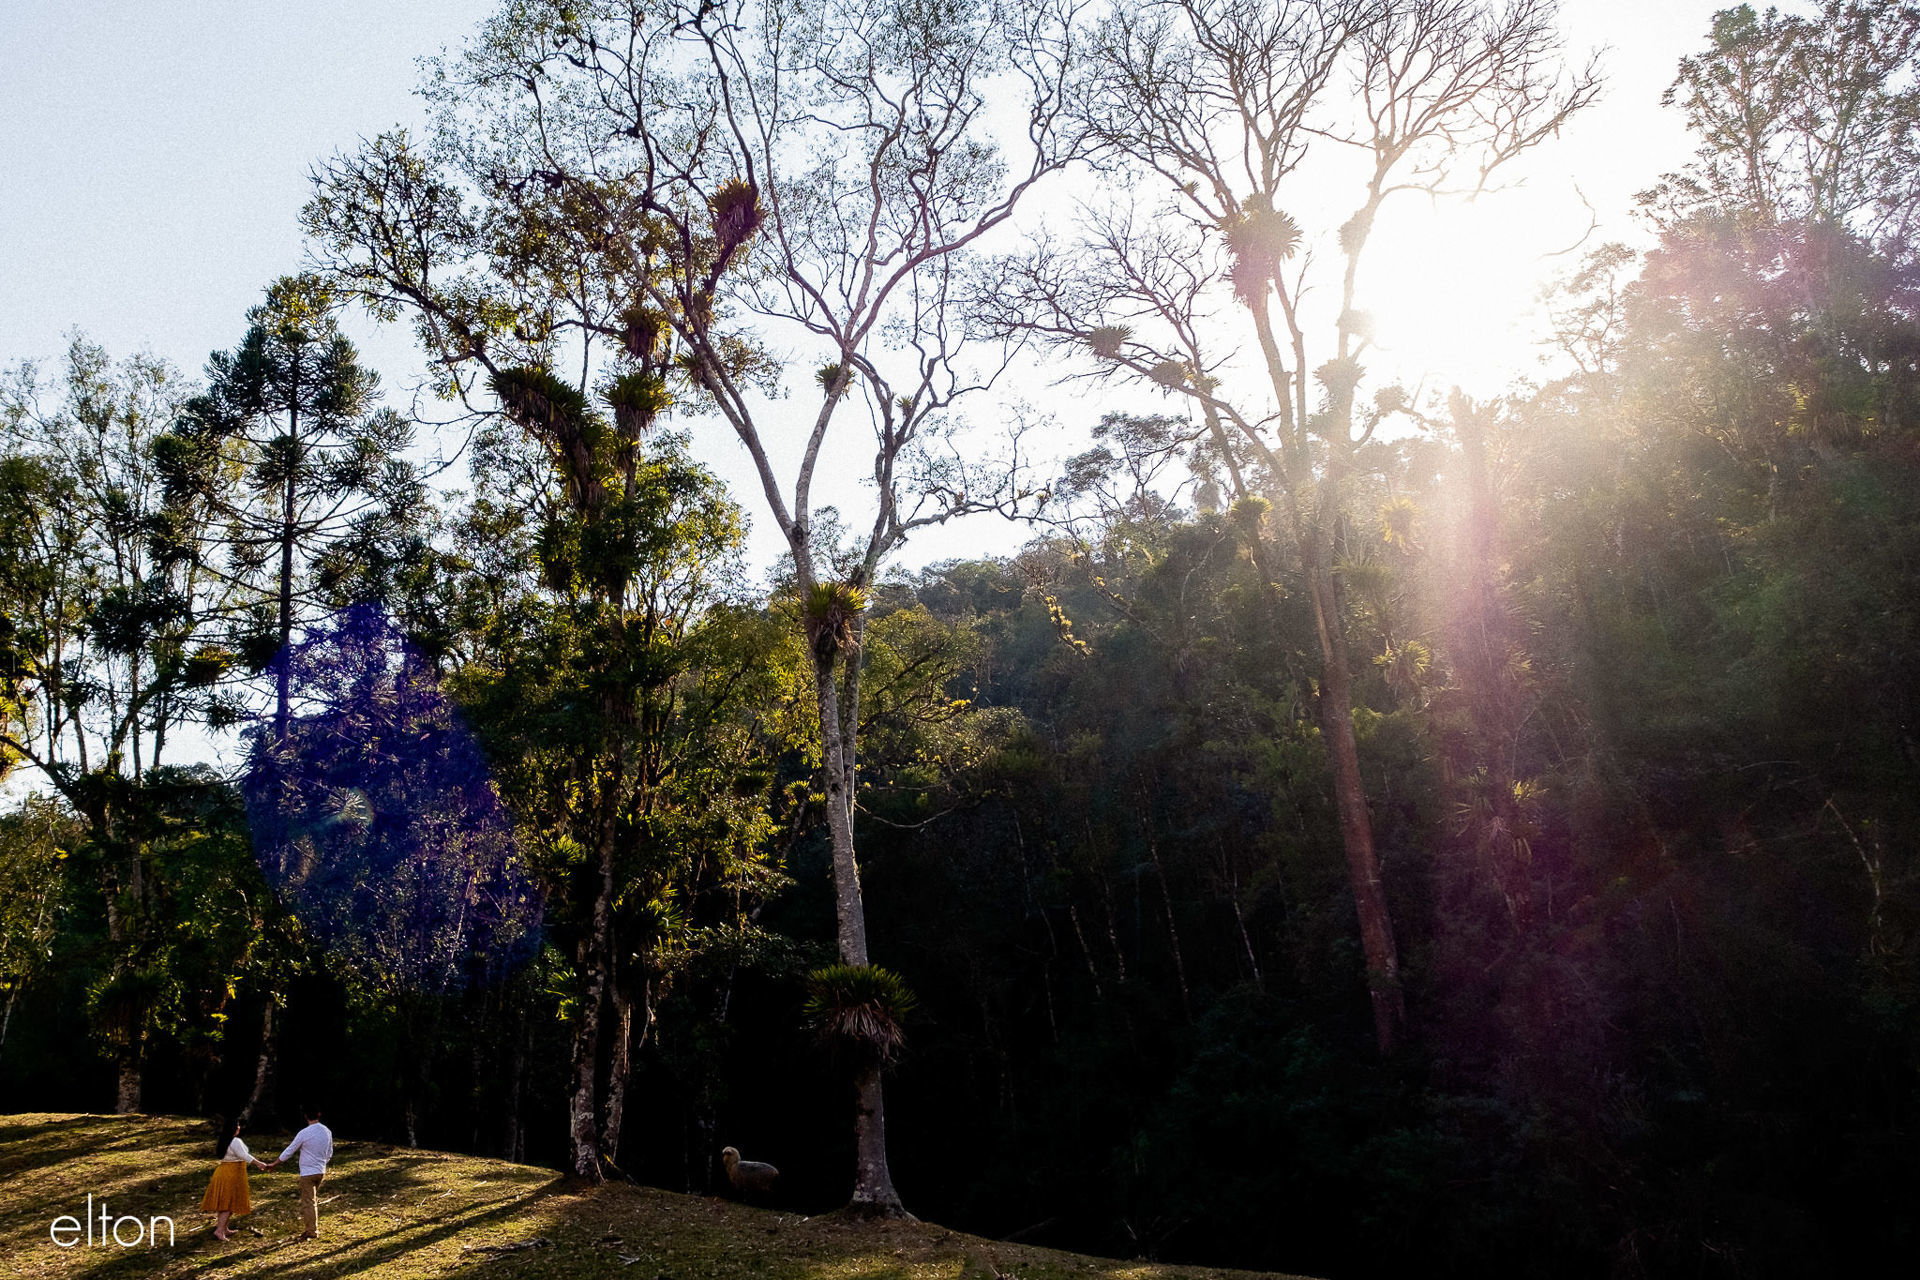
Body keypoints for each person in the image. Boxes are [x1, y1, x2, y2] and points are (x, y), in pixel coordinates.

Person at [199, 1114, 271, 1241]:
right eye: (237, 1126)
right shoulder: (235, 1141)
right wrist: (259, 1163)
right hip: (232, 1173)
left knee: (227, 1202)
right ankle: (219, 1230)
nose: (239, 1128)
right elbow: (244, 1155)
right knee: (228, 1203)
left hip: (224, 1171)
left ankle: (224, 1227)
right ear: (233, 1129)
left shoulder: (224, 1141)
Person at [274, 1105, 335, 1240]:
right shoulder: (327, 1131)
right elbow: (329, 1152)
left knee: (308, 1202)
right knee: (312, 1200)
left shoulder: (304, 1133)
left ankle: (311, 1231)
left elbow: (290, 1150)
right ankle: (312, 1228)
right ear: (319, 1115)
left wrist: (275, 1163)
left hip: (307, 1172)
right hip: (320, 1171)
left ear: (306, 1116)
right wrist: (322, 1163)